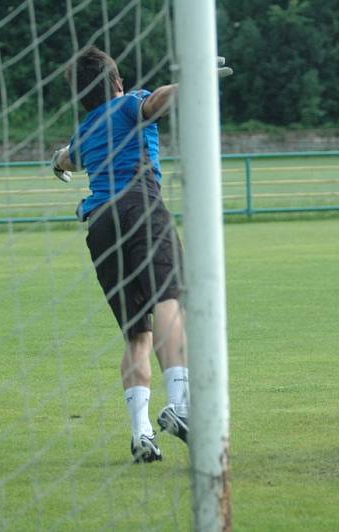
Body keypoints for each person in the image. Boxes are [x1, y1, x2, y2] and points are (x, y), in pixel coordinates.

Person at [51, 46, 228, 463]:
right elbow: (156, 101)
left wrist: (57, 161)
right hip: (140, 209)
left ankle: (141, 433)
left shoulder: (84, 131)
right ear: (116, 83)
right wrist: (193, 80)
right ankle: (182, 406)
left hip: (99, 228)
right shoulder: (130, 104)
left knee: (136, 333)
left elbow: (67, 159)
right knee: (169, 300)